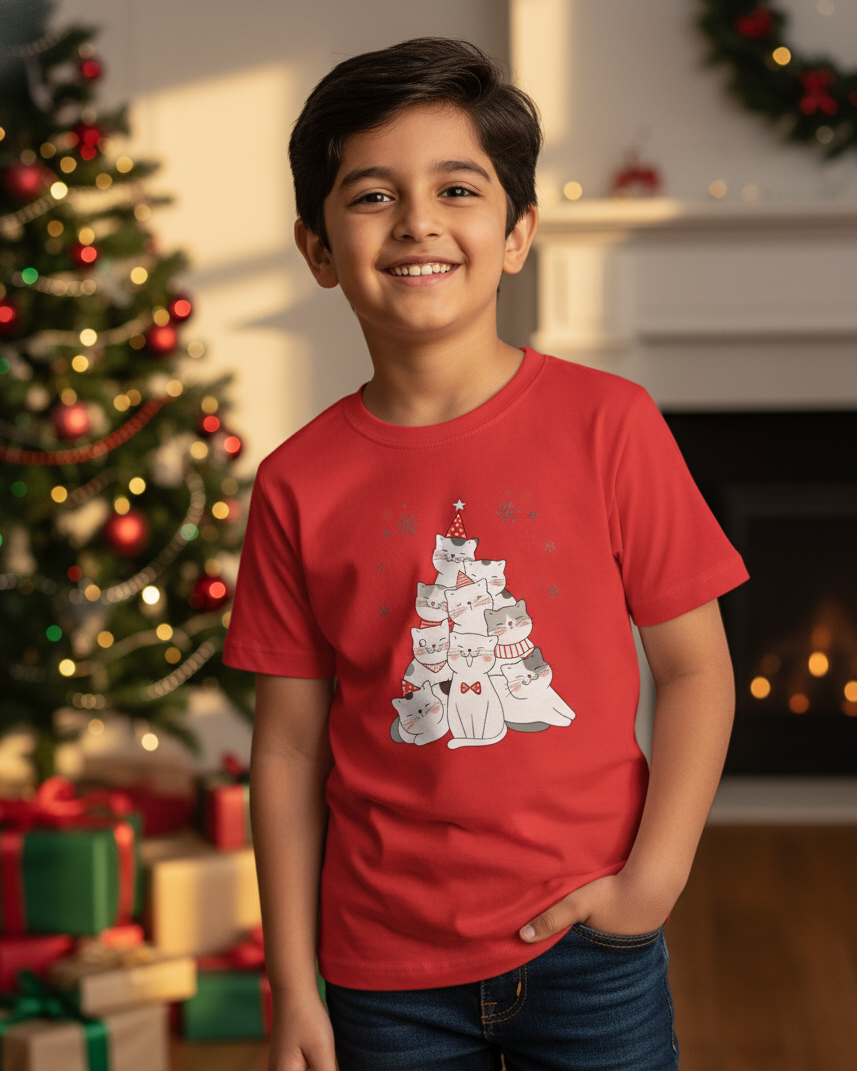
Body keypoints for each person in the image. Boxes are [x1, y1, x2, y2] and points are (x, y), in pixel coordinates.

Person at [223, 37, 748, 1071]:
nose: (416, 220)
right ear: (317, 248)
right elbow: (285, 751)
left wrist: (651, 883)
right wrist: (292, 985)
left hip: (589, 948)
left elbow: (696, 670)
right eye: (370, 195)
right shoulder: (294, 484)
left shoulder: (611, 424)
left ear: (516, 233)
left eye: (455, 188)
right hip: (378, 973)